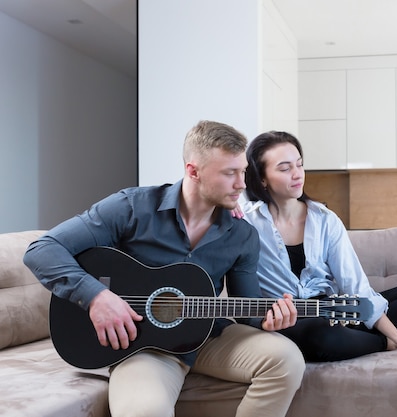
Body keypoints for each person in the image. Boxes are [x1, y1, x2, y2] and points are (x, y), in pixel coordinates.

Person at [23, 121, 305, 417]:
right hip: (142, 347)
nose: (241, 184)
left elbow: (249, 310)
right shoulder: (131, 207)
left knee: (287, 359)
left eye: (243, 172)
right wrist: (96, 297)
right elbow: (42, 250)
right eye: (229, 173)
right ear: (193, 171)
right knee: (146, 410)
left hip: (209, 336)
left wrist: (269, 319)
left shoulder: (242, 235)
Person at [239, 130, 397, 362]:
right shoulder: (246, 223)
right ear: (261, 178)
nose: (297, 174)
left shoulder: (325, 219)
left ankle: (360, 337)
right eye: (285, 168)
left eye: (299, 165)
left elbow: (355, 284)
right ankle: (384, 342)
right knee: (322, 336)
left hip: (332, 310)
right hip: (291, 321)